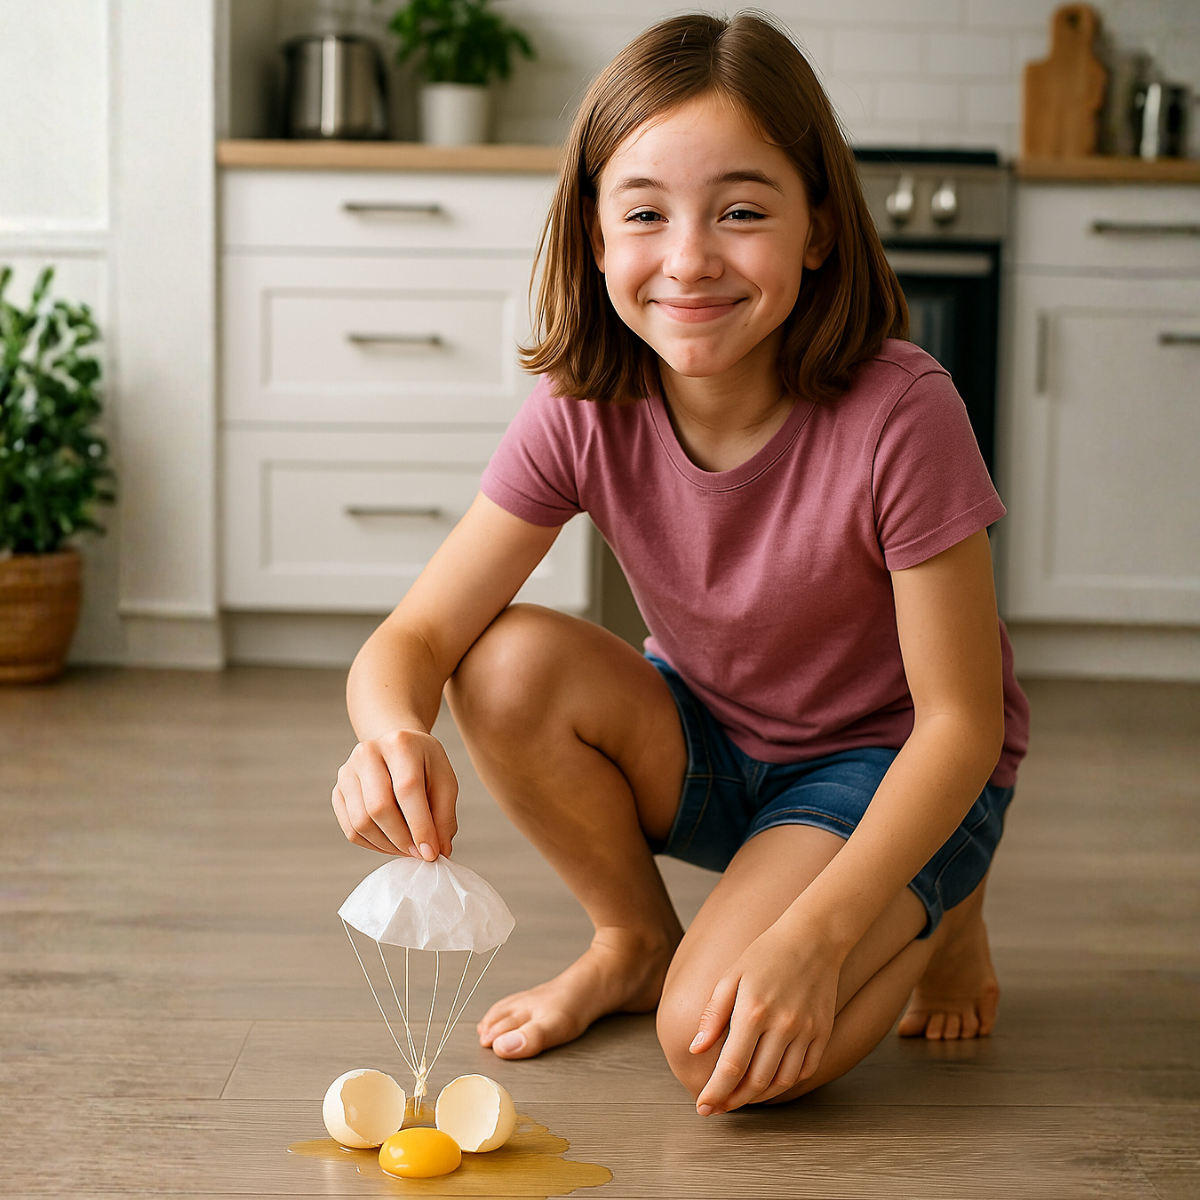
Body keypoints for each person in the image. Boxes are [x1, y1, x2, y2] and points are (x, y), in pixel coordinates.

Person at [330, 10, 1030, 1118]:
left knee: (712, 1055)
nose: (691, 257)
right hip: (710, 741)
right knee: (497, 660)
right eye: (646, 213)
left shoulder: (904, 410)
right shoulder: (581, 410)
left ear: (817, 227)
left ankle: (944, 890)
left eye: (742, 211)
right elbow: (413, 641)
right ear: (597, 237)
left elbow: (962, 724)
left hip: (888, 765)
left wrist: (818, 931)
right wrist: (390, 736)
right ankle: (633, 937)